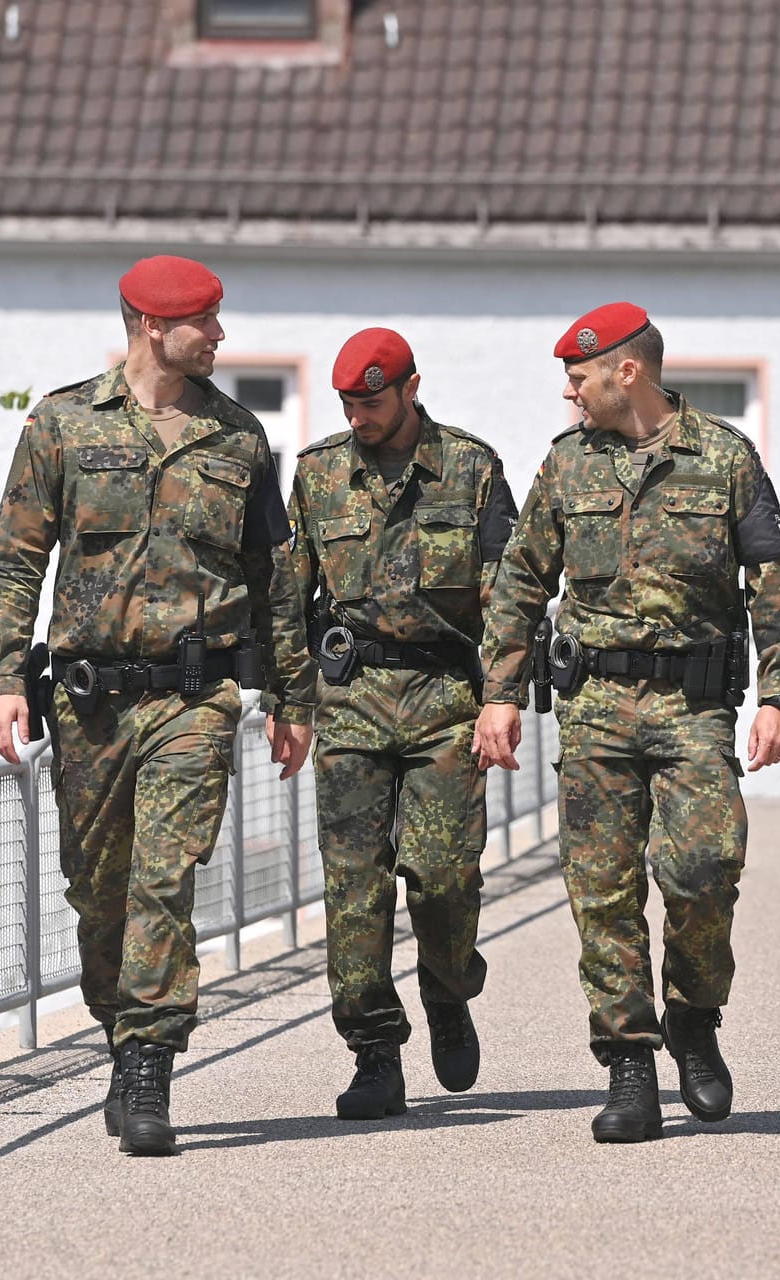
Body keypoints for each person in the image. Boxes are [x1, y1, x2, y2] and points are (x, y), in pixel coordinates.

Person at [0, 255, 314, 1156]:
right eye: (204, 321)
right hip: (90, 704)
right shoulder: (62, 426)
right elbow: (15, 558)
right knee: (101, 896)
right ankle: (122, 1032)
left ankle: (150, 1065)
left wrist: (291, 694)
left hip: (195, 702)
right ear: (151, 328)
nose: (220, 335)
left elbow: (273, 581)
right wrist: (7, 678)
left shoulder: (239, 439)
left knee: (165, 879)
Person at [473, 303, 780, 1143]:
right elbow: (521, 582)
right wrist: (500, 693)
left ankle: (694, 1018)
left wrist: (778, 693)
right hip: (594, 707)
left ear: (628, 371)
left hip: (692, 707)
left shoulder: (724, 456)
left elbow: (773, 582)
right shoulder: (566, 467)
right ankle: (629, 1065)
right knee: (603, 889)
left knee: (705, 869)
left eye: (581, 376)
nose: (570, 392)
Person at [272, 327, 517, 1120]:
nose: (358, 416)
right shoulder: (317, 477)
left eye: (372, 401)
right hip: (349, 702)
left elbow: (507, 601)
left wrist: (501, 696)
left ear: (412, 388)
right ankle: (374, 1051)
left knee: (445, 876)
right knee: (354, 889)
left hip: (446, 700)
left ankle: (448, 989)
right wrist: (292, 703)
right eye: (348, 402)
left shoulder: (472, 469)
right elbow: (288, 600)